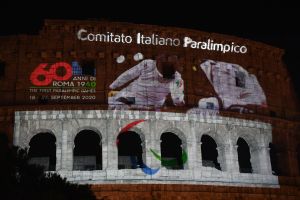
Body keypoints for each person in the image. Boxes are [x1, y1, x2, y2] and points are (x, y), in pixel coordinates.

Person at [108, 55, 185, 110]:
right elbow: (129, 74)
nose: (162, 80)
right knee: (114, 99)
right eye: (160, 77)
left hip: (149, 102)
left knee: (118, 100)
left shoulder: (177, 79)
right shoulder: (147, 64)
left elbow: (177, 98)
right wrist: (113, 85)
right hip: (135, 96)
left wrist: (179, 101)